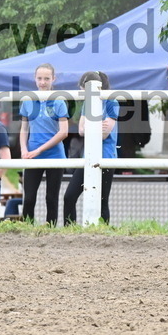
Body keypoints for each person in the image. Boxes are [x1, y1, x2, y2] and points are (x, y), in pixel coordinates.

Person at [64, 71, 120, 225]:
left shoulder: (112, 102)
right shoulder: (87, 104)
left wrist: (89, 127)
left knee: (102, 201)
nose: (83, 94)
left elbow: (103, 135)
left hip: (106, 157)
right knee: (69, 196)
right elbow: (81, 130)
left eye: (84, 90)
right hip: (88, 157)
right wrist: (96, 126)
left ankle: (102, 234)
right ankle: (69, 231)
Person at [20, 63, 69, 225]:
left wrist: (39, 150)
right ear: (34, 79)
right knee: (29, 198)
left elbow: (63, 132)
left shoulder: (59, 101)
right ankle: (26, 229)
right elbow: (24, 128)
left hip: (54, 155)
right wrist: (24, 149)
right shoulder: (27, 101)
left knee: (51, 198)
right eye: (39, 78)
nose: (42, 82)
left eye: (46, 79)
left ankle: (51, 230)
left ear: (53, 79)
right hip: (32, 155)